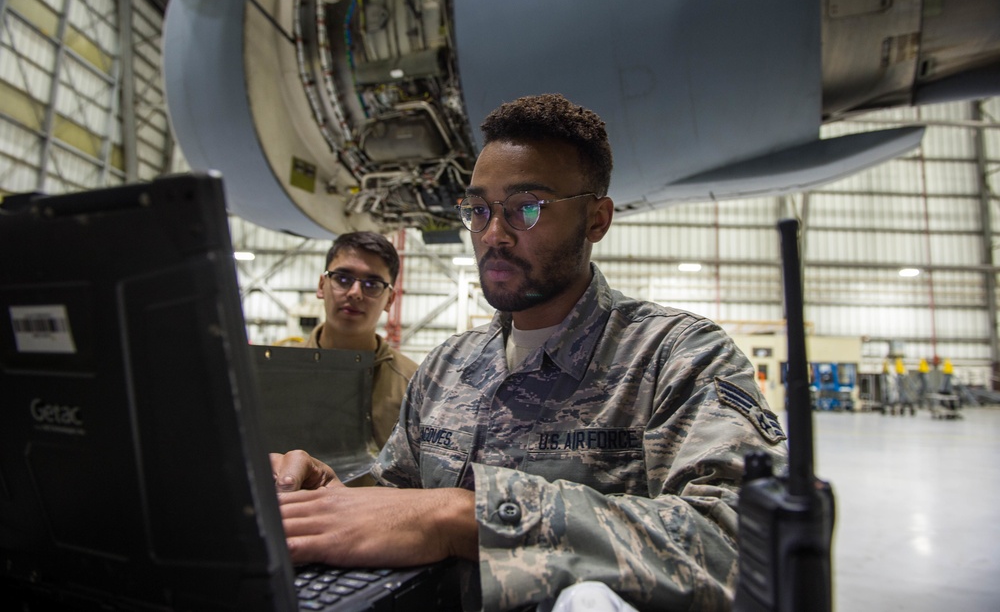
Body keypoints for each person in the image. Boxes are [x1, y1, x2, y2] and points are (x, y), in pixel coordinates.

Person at [273, 94, 788, 610]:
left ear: (596, 220)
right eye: (478, 210)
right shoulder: (447, 368)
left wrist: (466, 518)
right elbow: (400, 504)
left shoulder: (676, 358)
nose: (493, 235)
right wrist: (334, 498)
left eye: (527, 208)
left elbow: (745, 542)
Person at [305, 231, 419, 447]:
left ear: (389, 300)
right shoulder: (276, 371)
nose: (355, 293)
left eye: (372, 285)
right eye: (343, 278)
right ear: (322, 285)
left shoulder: (414, 387)